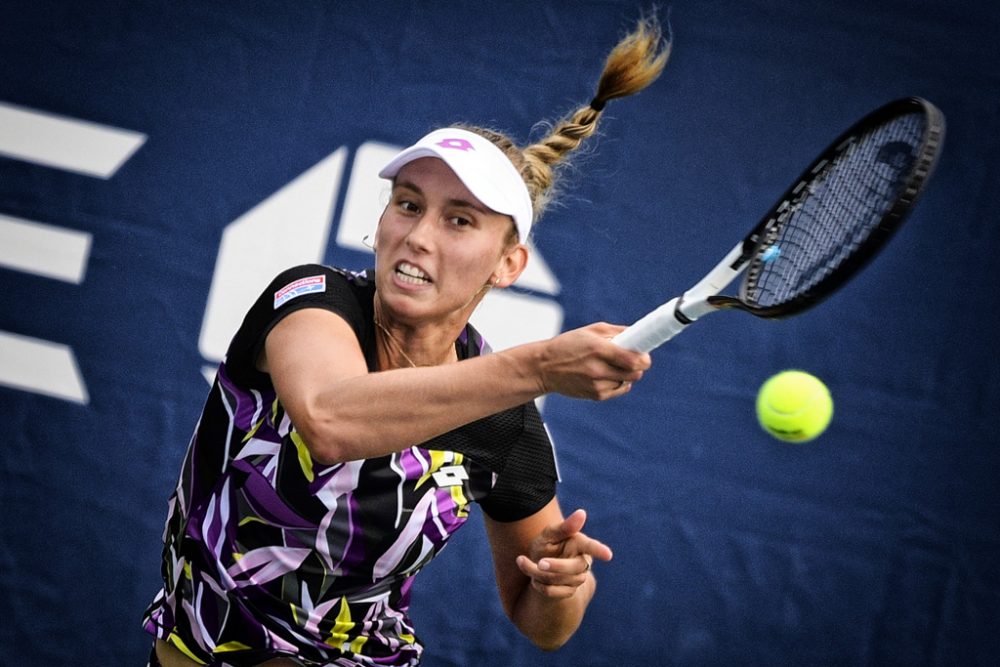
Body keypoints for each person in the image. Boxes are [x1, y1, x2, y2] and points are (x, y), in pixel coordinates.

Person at [143, 15, 669, 667]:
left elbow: (542, 623)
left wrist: (564, 586)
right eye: (409, 203)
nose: (419, 235)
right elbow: (331, 418)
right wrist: (537, 364)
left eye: (460, 220)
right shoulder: (310, 301)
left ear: (509, 265)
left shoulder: (504, 422)